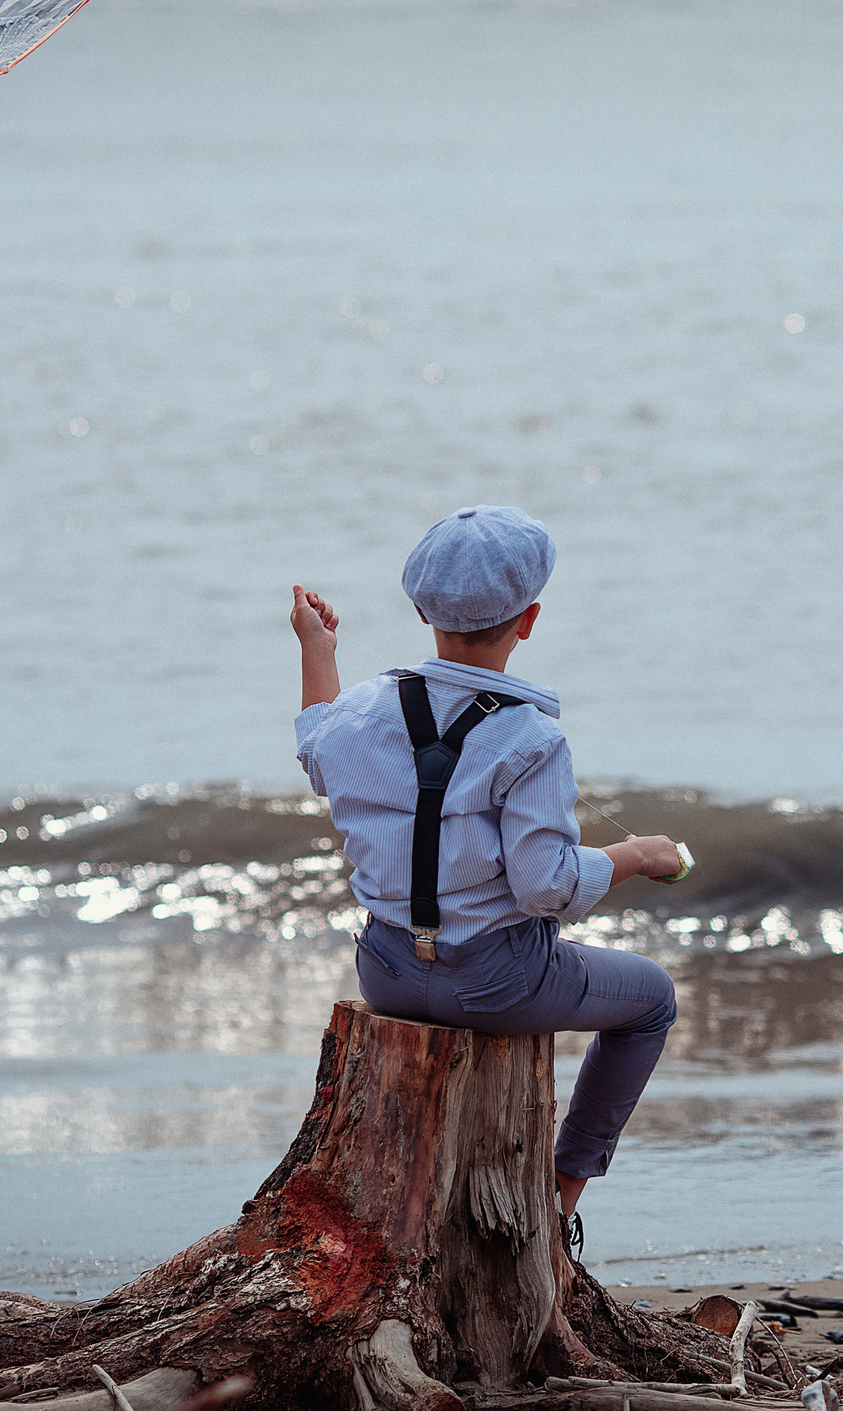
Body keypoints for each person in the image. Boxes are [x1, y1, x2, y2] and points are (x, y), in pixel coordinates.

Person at [289, 505, 685, 1239]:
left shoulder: (361, 710)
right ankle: (562, 1195)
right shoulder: (530, 737)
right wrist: (637, 856)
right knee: (652, 1001)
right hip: (498, 985)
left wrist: (318, 648)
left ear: (421, 610)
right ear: (529, 620)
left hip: (386, 970)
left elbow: (316, 748)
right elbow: (545, 887)